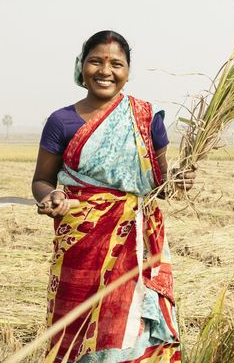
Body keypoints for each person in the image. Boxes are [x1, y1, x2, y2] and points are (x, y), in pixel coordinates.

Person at [32, 30, 195, 362]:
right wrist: (50, 199)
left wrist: (179, 181)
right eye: (96, 61)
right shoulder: (60, 121)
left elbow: (161, 186)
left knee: (131, 327)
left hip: (135, 245)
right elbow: (41, 180)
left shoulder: (146, 119)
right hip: (80, 242)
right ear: (82, 66)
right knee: (75, 329)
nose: (105, 71)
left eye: (115, 64)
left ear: (128, 71)